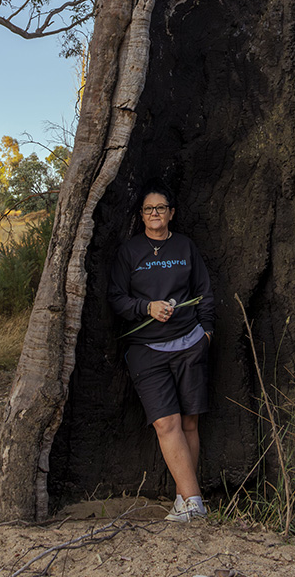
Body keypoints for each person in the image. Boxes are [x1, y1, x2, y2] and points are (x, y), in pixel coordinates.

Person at [108, 179, 214, 522]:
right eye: (149, 209)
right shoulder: (130, 252)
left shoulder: (185, 247)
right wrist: (146, 308)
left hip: (189, 345)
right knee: (166, 423)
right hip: (147, 349)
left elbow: (204, 291)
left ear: (171, 213)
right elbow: (116, 298)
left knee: (190, 423)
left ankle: (185, 502)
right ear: (142, 215)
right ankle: (195, 503)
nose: (155, 214)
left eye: (161, 208)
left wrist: (206, 334)